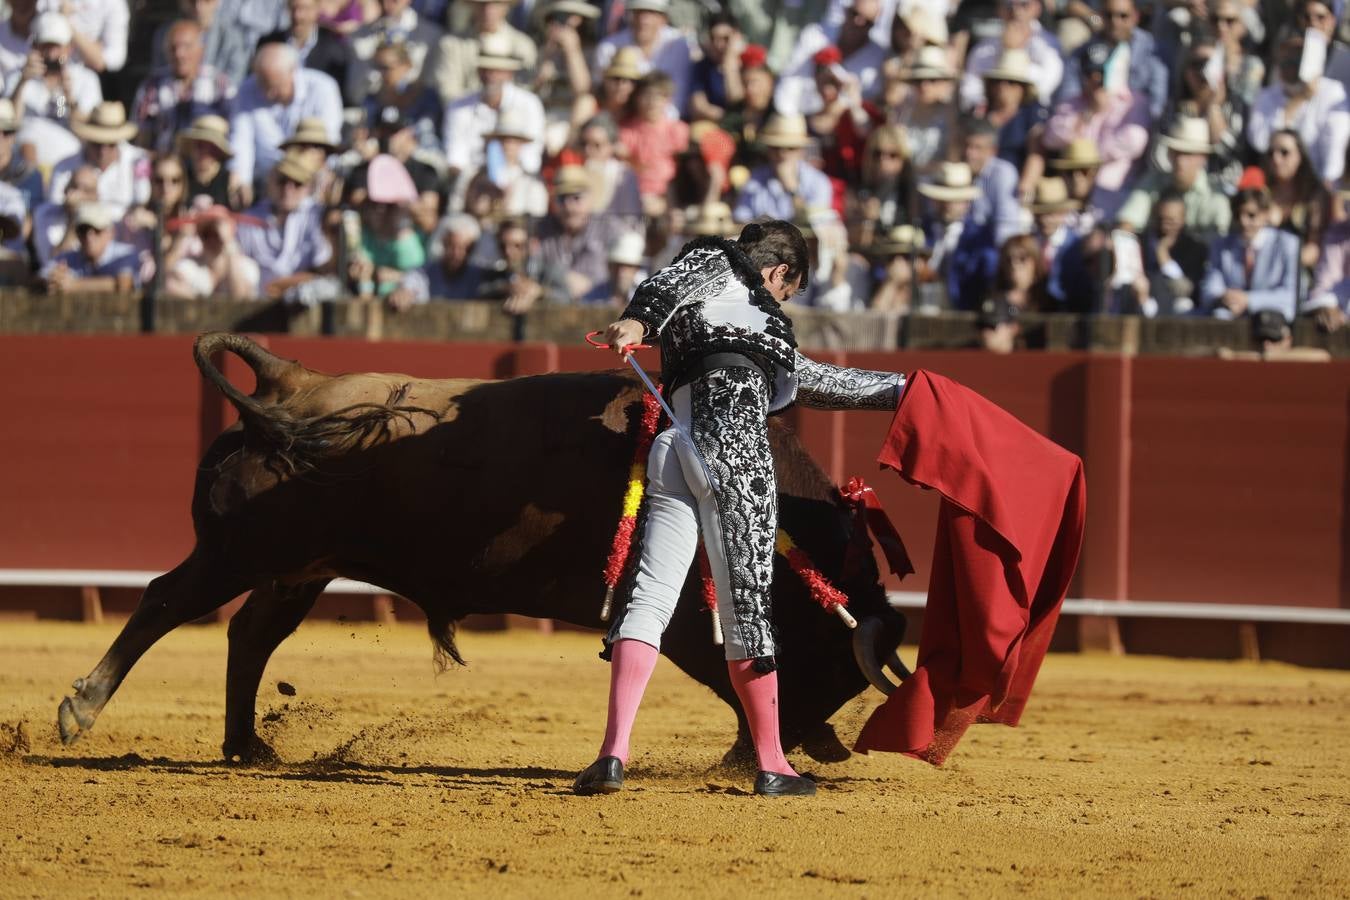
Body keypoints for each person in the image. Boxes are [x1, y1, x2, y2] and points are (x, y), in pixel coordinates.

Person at [577, 218, 906, 798]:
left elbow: (817, 381)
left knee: (650, 595)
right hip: (735, 447)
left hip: (675, 444)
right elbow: (665, 286)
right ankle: (773, 763)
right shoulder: (722, 264)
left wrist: (902, 390)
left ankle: (612, 755)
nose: (783, 302)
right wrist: (637, 321)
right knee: (747, 607)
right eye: (788, 290)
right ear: (778, 272)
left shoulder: (738, 311)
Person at [230, 42, 344, 205]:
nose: (268, 94)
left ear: (293, 72)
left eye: (275, 86)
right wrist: (240, 180)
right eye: (263, 85)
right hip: (263, 184)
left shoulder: (323, 88)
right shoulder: (247, 90)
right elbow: (240, 141)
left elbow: (326, 143)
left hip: (309, 180)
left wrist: (293, 176)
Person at [1247, 35, 1350, 184]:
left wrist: (1326, 189)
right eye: (1284, 58)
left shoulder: (1333, 92)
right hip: (1278, 185)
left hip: (1318, 185)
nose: (1289, 64)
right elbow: (1260, 142)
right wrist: (1297, 101)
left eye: (1297, 57)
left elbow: (1335, 151)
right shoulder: (1265, 96)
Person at [234, 152, 333, 298]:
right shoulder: (248, 218)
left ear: (308, 187)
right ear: (270, 182)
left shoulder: (317, 215)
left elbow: (324, 268)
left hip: (304, 301)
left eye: (297, 183)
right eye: (282, 181)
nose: (288, 189)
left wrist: (283, 285)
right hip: (255, 301)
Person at [131, 19, 236, 154]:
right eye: (173, 48)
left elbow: (233, 132)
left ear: (201, 50)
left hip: (205, 160)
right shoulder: (152, 85)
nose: (179, 54)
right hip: (162, 160)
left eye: (187, 46)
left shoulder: (220, 84)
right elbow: (140, 137)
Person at [1116, 117, 1230, 240]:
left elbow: (1221, 241)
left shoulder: (1216, 197)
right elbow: (1127, 224)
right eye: (1177, 152)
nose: (1180, 161)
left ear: (1203, 158)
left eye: (1188, 154)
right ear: (1169, 153)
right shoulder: (1152, 182)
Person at [1200, 187, 1301, 324]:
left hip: (1272, 323)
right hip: (1229, 317)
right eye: (1238, 215)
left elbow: (1292, 296)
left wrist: (1248, 300)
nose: (1243, 221)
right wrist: (1225, 298)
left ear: (1265, 214)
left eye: (1251, 215)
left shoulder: (1287, 244)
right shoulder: (1221, 245)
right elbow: (1209, 288)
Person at [48, 102, 150, 221]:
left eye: (111, 144)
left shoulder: (138, 161)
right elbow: (54, 208)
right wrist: (69, 206)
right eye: (97, 143)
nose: (103, 151)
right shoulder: (63, 167)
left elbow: (142, 202)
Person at [592, 0, 693, 114]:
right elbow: (600, 91)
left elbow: (679, 96)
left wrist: (660, 122)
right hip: (622, 116)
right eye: (638, 12)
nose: (643, 20)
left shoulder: (678, 44)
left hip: (665, 120)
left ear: (664, 18)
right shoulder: (608, 47)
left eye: (651, 13)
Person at [732, 114, 833, 221]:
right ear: (768, 149)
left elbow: (814, 222)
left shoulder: (818, 181)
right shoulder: (755, 178)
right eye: (776, 148)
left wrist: (791, 189)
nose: (782, 154)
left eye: (790, 148)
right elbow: (741, 217)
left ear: (801, 151)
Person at [257, 0, 354, 105]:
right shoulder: (269, 44)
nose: (298, 16)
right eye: (293, 9)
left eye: (305, 9)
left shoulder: (334, 48)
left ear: (317, 10)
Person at [39, 201, 139, 294]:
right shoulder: (67, 258)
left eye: (96, 230)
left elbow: (124, 284)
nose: (89, 237)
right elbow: (39, 277)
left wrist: (74, 285)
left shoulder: (126, 253)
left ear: (110, 232)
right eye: (83, 230)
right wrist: (53, 280)